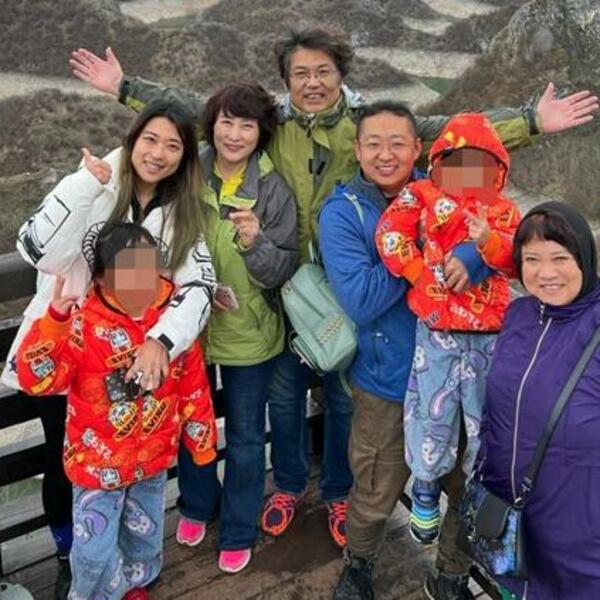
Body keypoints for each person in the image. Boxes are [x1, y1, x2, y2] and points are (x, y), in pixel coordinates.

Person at [68, 26, 598, 547]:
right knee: (285, 398)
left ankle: (340, 492)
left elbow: (452, 131)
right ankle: (291, 484)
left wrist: (531, 120)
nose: (313, 82)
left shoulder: (365, 124)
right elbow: (204, 112)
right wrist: (125, 87)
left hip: (346, 285)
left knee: (345, 399)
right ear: (286, 80)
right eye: (301, 73)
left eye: (323, 71)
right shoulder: (274, 124)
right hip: (280, 287)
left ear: (342, 75)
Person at [1, 99, 216, 599]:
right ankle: (71, 559)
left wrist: (162, 340)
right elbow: (34, 248)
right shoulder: (95, 184)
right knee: (66, 462)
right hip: (70, 346)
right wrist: (83, 184)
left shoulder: (181, 213)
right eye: (150, 140)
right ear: (132, 139)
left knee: (136, 470)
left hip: (136, 361)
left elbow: (197, 286)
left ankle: (128, 571)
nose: (158, 154)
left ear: (185, 157)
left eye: (173, 146)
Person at [320, 102, 490, 600]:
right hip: (386, 378)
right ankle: (359, 565)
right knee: (375, 484)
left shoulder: (453, 192)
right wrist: (428, 253)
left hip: (460, 374)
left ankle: (451, 574)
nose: (385, 154)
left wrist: (470, 255)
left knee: (465, 483)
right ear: (357, 150)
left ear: (418, 148)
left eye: (398, 143)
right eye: (373, 143)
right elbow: (361, 299)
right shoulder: (343, 212)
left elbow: (495, 244)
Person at [16, 223, 217, 600]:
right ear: (101, 277)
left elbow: (194, 386)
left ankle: (136, 585)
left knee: (144, 534)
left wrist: (201, 441)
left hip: (151, 460)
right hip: (96, 464)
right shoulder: (83, 323)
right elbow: (36, 380)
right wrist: (54, 323)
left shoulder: (173, 321)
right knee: (93, 548)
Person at [375, 113, 520, 545]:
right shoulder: (420, 194)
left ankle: (480, 494)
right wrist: (419, 272)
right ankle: (424, 485)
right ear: (439, 161)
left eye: (481, 162)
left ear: (496, 167)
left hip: (489, 334)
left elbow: (516, 259)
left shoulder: (504, 210)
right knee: (429, 411)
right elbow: (389, 234)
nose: (468, 171)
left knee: (485, 417)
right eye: (458, 161)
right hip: (436, 330)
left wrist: (484, 247)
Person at [174, 82, 297, 573]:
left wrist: (256, 244)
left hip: (251, 330)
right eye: (227, 121)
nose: (234, 134)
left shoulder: (273, 189)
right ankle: (197, 503)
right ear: (212, 123)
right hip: (192, 328)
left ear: (261, 133)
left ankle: (239, 527)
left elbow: (281, 270)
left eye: (247, 125)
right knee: (193, 424)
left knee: (246, 435)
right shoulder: (188, 171)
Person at [476, 202, 600, 600]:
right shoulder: (519, 315)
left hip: (580, 542)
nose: (546, 273)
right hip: (512, 529)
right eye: (532, 259)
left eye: (560, 258)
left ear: (584, 258)